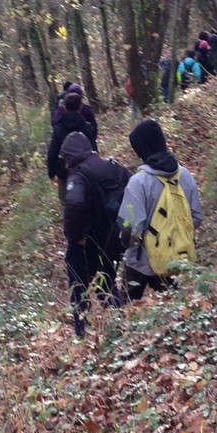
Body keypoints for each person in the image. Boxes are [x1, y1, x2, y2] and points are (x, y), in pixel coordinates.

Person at [119, 119, 204, 300]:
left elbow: (132, 228)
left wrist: (131, 245)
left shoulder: (138, 182)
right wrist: (173, 237)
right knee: (173, 306)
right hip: (175, 258)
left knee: (127, 307)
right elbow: (196, 216)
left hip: (139, 262)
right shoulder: (185, 175)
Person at [60, 131, 132, 337]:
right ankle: (119, 324)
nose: (65, 164)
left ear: (71, 156)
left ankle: (82, 332)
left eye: (66, 159)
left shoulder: (78, 175)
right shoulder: (114, 167)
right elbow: (134, 189)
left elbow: (74, 203)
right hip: (115, 238)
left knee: (78, 285)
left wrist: (74, 237)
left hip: (88, 242)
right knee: (107, 282)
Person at [47, 92, 98, 204]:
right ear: (80, 107)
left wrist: (52, 173)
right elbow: (94, 151)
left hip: (66, 173)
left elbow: (52, 153)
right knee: (91, 202)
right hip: (88, 171)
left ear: (64, 108)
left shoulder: (58, 129)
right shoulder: (88, 128)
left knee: (68, 203)